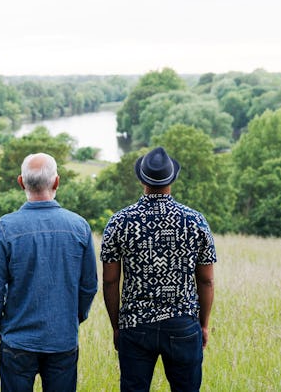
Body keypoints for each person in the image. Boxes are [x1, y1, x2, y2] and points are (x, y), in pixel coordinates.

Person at [101, 147, 216, 392]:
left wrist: (117, 326)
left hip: (135, 324)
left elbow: (110, 281)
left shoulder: (119, 222)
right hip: (183, 324)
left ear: (141, 179)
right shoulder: (195, 221)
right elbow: (206, 281)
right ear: (172, 180)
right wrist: (203, 325)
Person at [0, 152, 98, 392]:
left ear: (21, 182)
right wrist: (73, 318)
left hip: (17, 339)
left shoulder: (5, 227)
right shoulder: (79, 226)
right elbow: (89, 285)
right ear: (57, 182)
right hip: (62, 339)